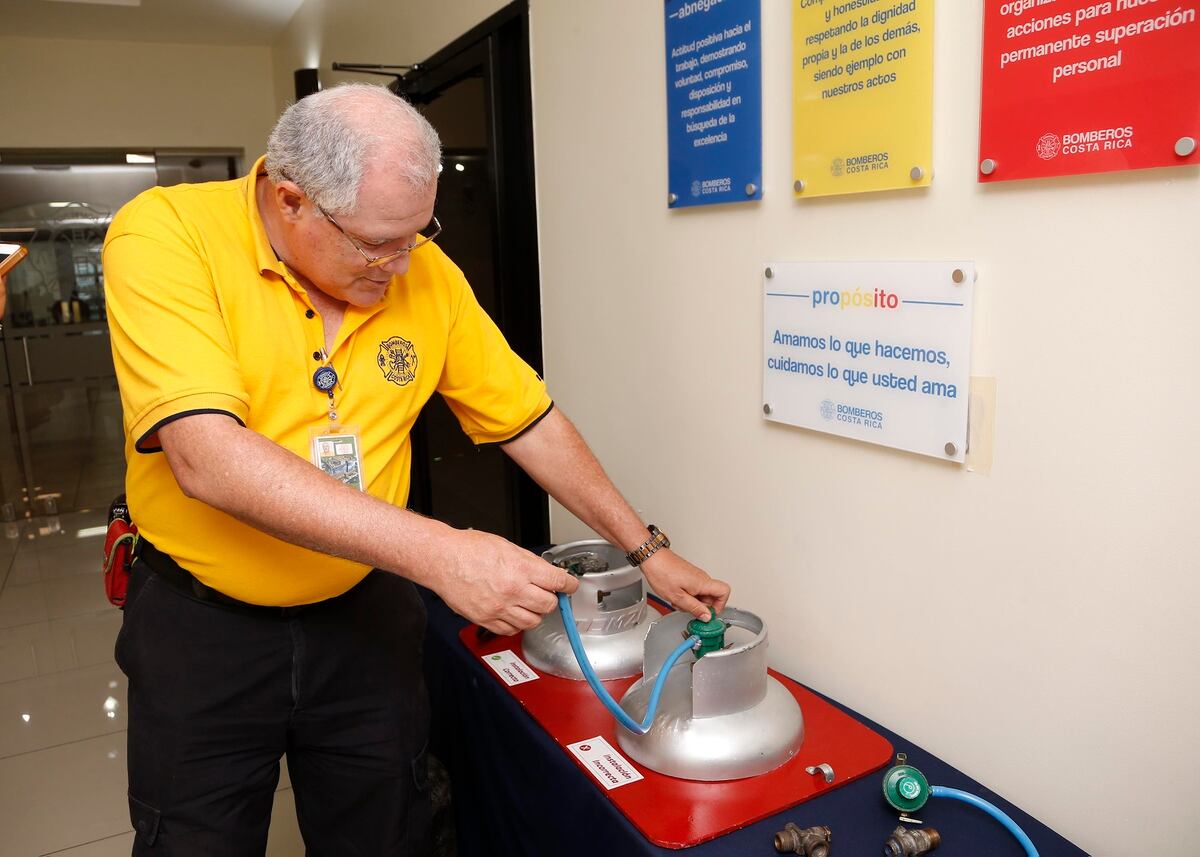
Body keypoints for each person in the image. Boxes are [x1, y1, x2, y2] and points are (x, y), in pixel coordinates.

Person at [103, 82, 730, 857]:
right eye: (377, 243)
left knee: (387, 830)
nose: (402, 264)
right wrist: (441, 553)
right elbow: (207, 456)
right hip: (206, 627)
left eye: (416, 234)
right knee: (193, 841)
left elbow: (526, 418)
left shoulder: (422, 270)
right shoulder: (167, 236)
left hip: (365, 615)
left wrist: (646, 549)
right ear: (290, 199)